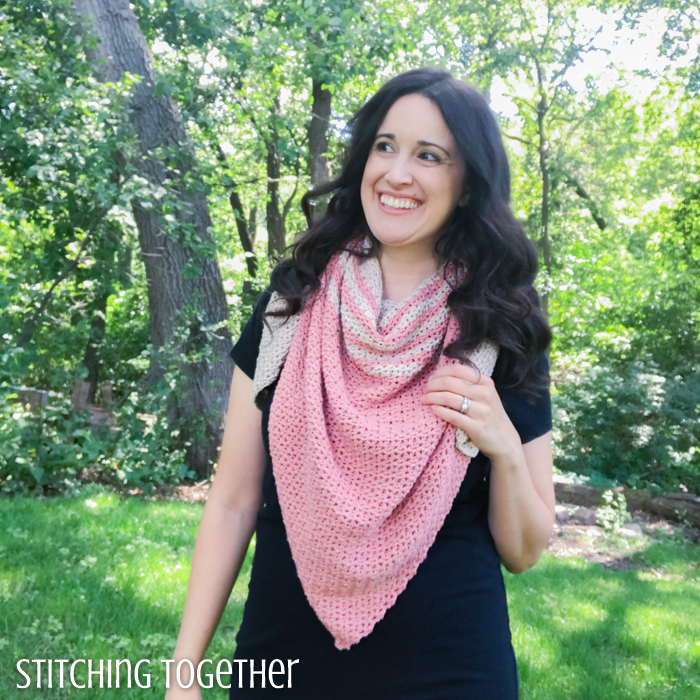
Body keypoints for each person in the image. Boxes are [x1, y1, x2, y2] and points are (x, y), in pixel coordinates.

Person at [165, 67, 555, 700]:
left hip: (451, 668)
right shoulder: (291, 302)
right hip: (283, 659)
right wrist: (185, 670)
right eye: (384, 145)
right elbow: (234, 499)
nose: (397, 173)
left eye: (429, 156)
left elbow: (525, 550)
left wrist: (505, 448)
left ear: (467, 183)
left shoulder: (501, 325)